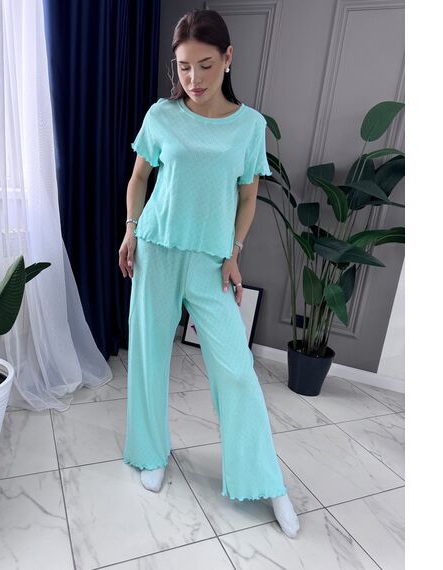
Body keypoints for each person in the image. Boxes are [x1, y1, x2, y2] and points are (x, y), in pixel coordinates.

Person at [118, 9, 300, 538]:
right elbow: (139, 179)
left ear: (227, 58)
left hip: (211, 262)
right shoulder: (162, 115)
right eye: (183, 67)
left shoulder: (249, 126)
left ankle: (265, 481)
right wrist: (131, 230)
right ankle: (150, 452)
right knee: (149, 357)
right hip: (156, 250)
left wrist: (234, 253)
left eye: (204, 65)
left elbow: (248, 197)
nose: (193, 79)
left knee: (236, 370)